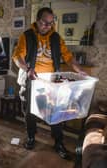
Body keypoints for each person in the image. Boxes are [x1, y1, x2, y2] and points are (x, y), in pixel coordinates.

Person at [12, 7, 86, 159]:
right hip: (32, 79)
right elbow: (17, 56)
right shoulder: (26, 36)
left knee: (56, 113)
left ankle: (58, 143)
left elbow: (68, 56)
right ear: (37, 21)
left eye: (51, 23)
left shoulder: (56, 37)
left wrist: (78, 69)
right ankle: (31, 138)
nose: (48, 26)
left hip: (51, 83)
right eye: (44, 23)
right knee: (30, 113)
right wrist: (27, 69)